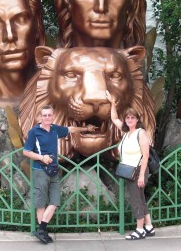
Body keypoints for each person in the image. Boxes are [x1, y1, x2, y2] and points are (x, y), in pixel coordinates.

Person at [23, 105, 96, 244]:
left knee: (55, 201)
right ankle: (43, 232)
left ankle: (41, 229)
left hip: (53, 170)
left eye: (49, 115)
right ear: (40, 117)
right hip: (40, 170)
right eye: (44, 115)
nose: (47, 117)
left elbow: (70, 129)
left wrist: (86, 129)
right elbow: (26, 151)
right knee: (41, 204)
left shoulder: (55, 129)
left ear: (53, 115)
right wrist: (41, 157)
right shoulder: (34, 132)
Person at [106, 90, 155, 240]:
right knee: (140, 199)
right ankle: (149, 227)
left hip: (138, 170)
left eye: (132, 117)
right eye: (127, 117)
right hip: (130, 170)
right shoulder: (126, 132)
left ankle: (139, 229)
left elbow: (145, 155)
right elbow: (114, 118)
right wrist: (112, 102)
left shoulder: (141, 133)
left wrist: (141, 175)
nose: (129, 119)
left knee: (135, 199)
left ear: (137, 119)